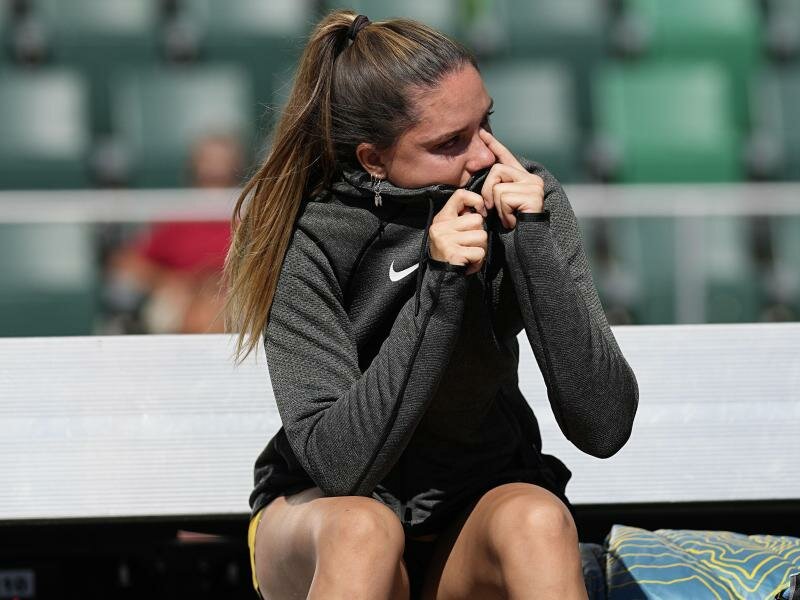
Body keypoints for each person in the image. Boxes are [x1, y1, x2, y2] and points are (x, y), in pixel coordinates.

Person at [222, 10, 639, 600]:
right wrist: (440, 286)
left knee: (538, 518)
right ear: (372, 159)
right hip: (326, 514)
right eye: (449, 143)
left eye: (485, 123)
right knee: (364, 530)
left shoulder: (525, 202)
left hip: (472, 514)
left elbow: (605, 426)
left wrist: (536, 242)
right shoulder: (305, 237)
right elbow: (341, 468)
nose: (483, 157)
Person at [104, 133, 243, 334]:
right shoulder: (178, 216)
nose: (215, 172)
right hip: (182, 297)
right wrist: (169, 281)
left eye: (224, 168)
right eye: (208, 166)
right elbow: (127, 262)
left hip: (234, 296)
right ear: (194, 170)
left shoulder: (251, 219)